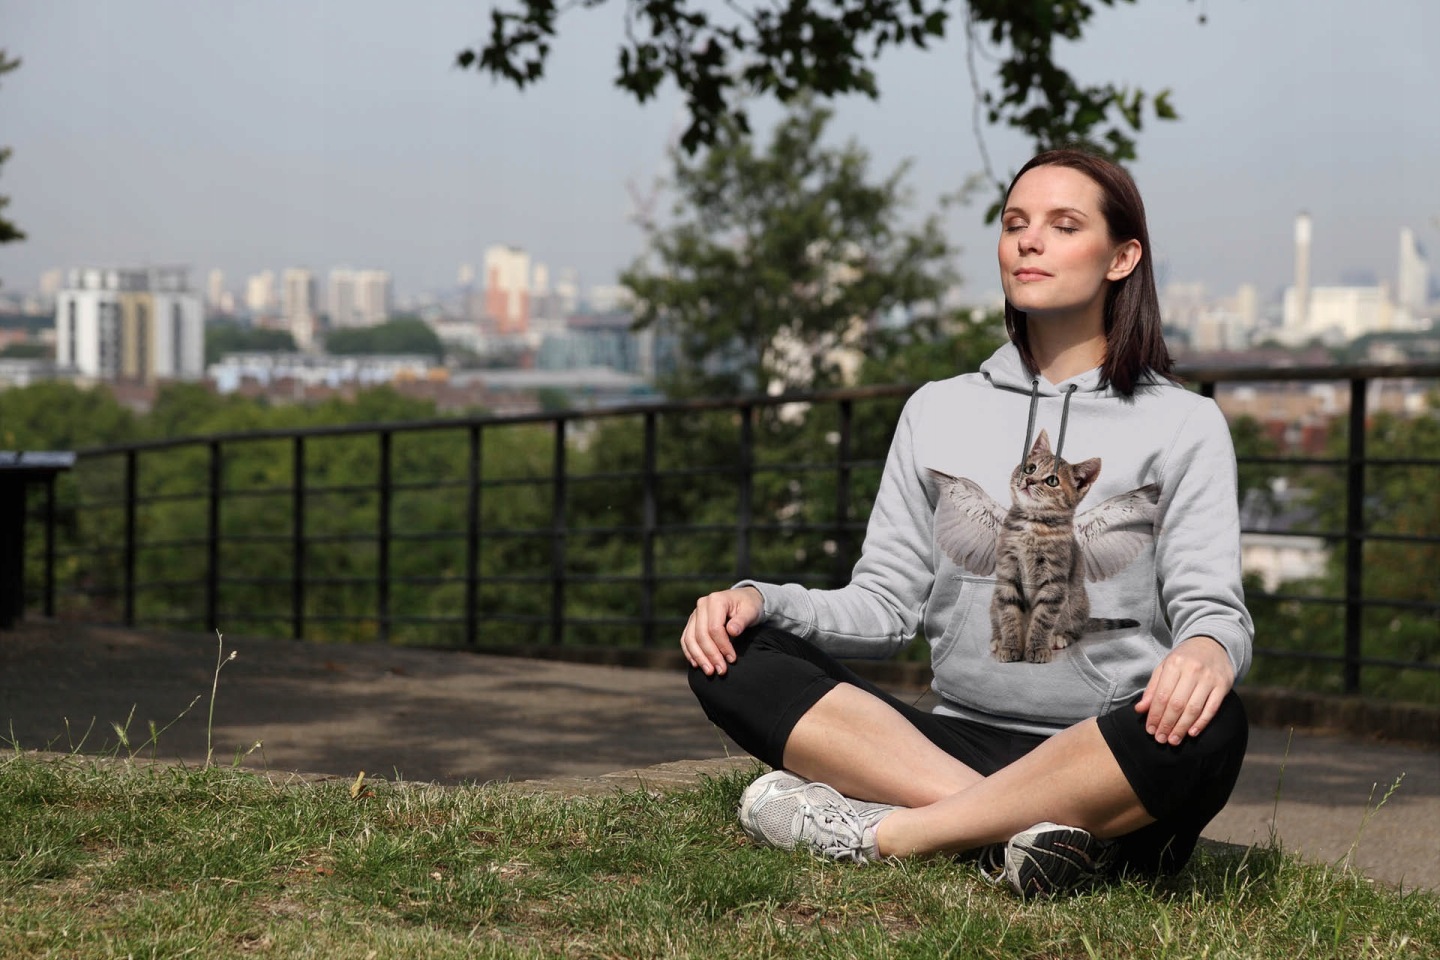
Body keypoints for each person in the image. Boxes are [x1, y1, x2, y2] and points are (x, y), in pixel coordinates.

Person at [680, 147, 1252, 897]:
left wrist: (1207, 651)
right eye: (1015, 224)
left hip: (1101, 755)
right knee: (733, 655)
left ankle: (890, 834)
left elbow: (1214, 610)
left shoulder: (1184, 423)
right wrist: (760, 601)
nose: (1030, 241)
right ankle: (1028, 838)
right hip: (948, 742)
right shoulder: (937, 408)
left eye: (1063, 225)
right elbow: (885, 604)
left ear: (1122, 257)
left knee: (1216, 725)